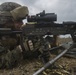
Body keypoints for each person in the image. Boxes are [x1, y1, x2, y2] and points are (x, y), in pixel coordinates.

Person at [0, 2, 29, 68]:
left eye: (22, 20)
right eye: (18, 20)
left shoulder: (15, 33)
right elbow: (2, 62)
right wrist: (20, 49)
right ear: (6, 20)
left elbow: (26, 55)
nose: (21, 24)